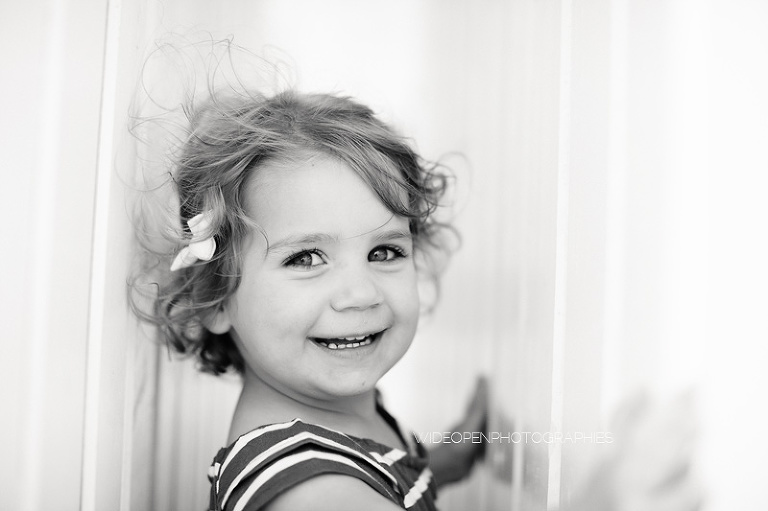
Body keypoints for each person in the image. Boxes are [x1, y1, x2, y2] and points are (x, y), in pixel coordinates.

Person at [133, 88, 486, 511]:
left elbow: (379, 477)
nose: (361, 294)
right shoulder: (311, 493)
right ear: (215, 297)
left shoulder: (341, 416)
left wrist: (441, 464)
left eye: (384, 253)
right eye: (306, 258)